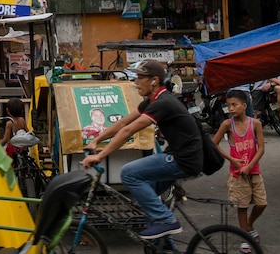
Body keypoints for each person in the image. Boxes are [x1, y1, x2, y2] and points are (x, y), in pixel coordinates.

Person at [82, 60, 202, 239]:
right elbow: (123, 122)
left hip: (184, 159)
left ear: (154, 80)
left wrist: (100, 155)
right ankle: (165, 242)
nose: (135, 82)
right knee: (146, 195)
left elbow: (129, 130)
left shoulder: (163, 103)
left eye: (139, 77)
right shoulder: (152, 101)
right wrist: (96, 140)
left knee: (129, 173)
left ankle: (166, 220)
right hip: (182, 156)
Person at [212, 90, 266, 250]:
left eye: (234, 105)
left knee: (261, 203)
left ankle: (249, 225)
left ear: (244, 105)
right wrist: (232, 160)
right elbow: (213, 144)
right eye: (228, 105)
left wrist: (250, 165)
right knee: (242, 206)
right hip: (237, 174)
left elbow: (261, 148)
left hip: (254, 170)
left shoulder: (255, 124)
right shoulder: (227, 125)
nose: (231, 108)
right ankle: (245, 237)